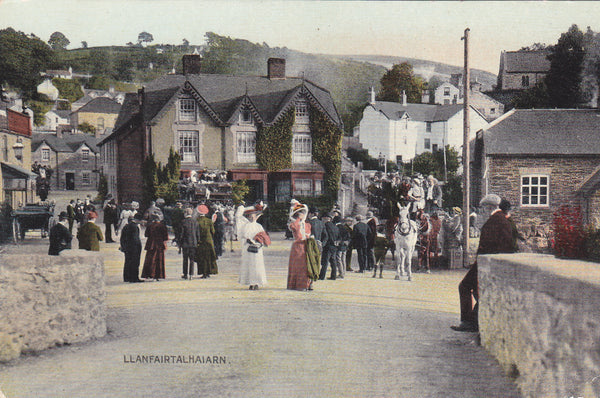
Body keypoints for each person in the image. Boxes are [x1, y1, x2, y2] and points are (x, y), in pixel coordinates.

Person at [451, 194, 515, 332]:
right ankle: (473, 320)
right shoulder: (502, 220)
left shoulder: (494, 221)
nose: (482, 211)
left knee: (465, 287)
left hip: (486, 264)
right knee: (475, 290)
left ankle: (469, 322)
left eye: (484, 208)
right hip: (491, 263)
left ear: (489, 207)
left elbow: (490, 246)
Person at [239, 203, 271, 290]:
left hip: (257, 248)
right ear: (248, 217)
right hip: (248, 248)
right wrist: (250, 240)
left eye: (254, 216)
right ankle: (250, 282)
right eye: (250, 216)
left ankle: (257, 282)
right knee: (249, 265)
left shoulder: (259, 226)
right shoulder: (245, 226)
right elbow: (244, 236)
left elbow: (263, 236)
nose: (252, 218)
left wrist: (259, 242)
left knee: (257, 265)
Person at [287, 202, 318, 291]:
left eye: (303, 213)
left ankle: (307, 284)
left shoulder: (308, 225)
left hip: (306, 247)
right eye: (300, 213)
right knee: (298, 266)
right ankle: (297, 285)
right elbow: (294, 228)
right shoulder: (294, 224)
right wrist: (297, 219)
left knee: (307, 266)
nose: (302, 215)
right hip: (297, 247)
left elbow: (308, 234)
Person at [141, 214, 169, 281]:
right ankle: (158, 275)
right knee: (159, 260)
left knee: (150, 260)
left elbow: (146, 235)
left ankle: (149, 274)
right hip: (159, 244)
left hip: (151, 244)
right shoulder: (162, 226)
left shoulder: (150, 226)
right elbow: (165, 237)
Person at [196, 204, 218, 279]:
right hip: (209, 240)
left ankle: (203, 272)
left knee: (202, 257)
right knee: (209, 257)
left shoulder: (197, 221)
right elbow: (213, 231)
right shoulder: (209, 221)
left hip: (200, 241)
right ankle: (209, 271)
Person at [120, 214, 143, 283]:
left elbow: (122, 238)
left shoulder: (126, 226)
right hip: (134, 247)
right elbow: (135, 238)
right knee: (135, 263)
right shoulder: (135, 227)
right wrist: (139, 246)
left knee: (127, 262)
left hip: (127, 247)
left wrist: (123, 246)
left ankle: (126, 277)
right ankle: (134, 277)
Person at [179, 207, 200, 280]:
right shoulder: (195, 222)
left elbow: (181, 234)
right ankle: (191, 274)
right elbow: (197, 234)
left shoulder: (183, 222)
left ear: (186, 213)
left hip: (185, 243)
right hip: (193, 243)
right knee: (192, 259)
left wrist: (180, 243)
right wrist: (197, 241)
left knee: (185, 259)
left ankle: (185, 274)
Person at [319, 212, 340, 280]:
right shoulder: (334, 226)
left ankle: (322, 276)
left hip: (328, 245)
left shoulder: (325, 226)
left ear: (325, 218)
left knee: (325, 261)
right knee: (333, 261)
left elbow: (326, 236)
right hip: (334, 245)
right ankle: (333, 275)